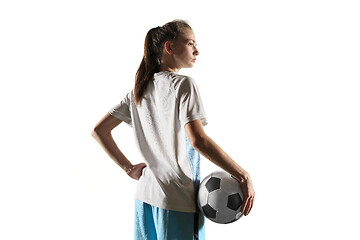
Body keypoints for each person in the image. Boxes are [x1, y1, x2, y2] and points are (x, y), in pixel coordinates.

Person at [92, 19, 255, 240]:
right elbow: (199, 142)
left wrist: (128, 168)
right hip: (177, 200)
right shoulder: (183, 85)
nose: (196, 50)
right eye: (190, 43)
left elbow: (99, 131)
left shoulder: (138, 91)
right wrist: (243, 175)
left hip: (144, 196)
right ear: (169, 47)